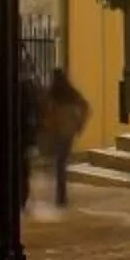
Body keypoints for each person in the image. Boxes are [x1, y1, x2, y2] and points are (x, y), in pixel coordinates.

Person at [39, 64, 90, 208]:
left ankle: (60, 195)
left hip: (57, 132)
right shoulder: (71, 93)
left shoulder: (51, 94)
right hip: (68, 133)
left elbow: (45, 112)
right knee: (61, 163)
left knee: (59, 164)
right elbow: (85, 107)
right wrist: (79, 125)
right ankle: (61, 195)